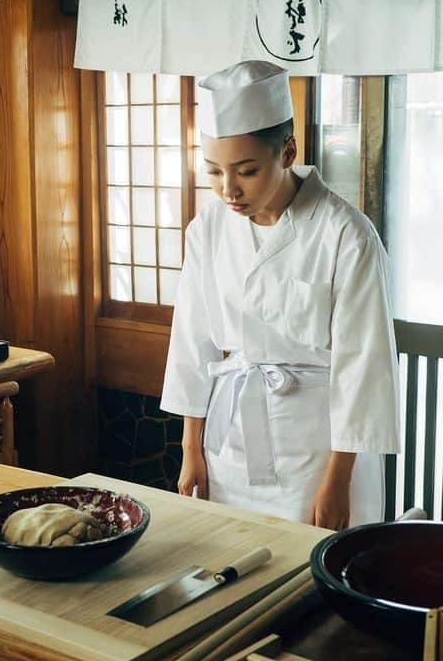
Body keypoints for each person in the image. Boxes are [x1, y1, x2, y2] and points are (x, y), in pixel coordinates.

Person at [160, 60, 400, 530]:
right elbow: (192, 342)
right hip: (230, 443)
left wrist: (338, 480)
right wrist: (192, 449)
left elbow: (364, 366)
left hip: (318, 453)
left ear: (287, 151)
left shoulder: (345, 234)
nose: (228, 189)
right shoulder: (207, 228)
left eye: (246, 171)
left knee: (315, 583)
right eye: (213, 172)